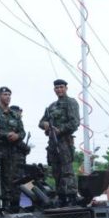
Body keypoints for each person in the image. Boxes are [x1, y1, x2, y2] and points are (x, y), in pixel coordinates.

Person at [38, 79, 80, 207]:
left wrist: (59, 130)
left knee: (67, 170)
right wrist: (45, 124)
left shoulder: (71, 102)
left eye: (61, 87)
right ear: (54, 90)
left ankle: (72, 196)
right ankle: (61, 196)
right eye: (57, 88)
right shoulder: (51, 106)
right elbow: (41, 122)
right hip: (52, 142)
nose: (59, 90)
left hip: (64, 141)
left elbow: (75, 123)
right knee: (56, 170)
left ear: (66, 88)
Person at [0, 86, 26, 211]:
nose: (7, 97)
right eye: (4, 95)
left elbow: (22, 132)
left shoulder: (15, 115)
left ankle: (6, 202)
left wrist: (17, 135)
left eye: (9, 95)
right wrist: (6, 134)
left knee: (8, 176)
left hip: (9, 149)